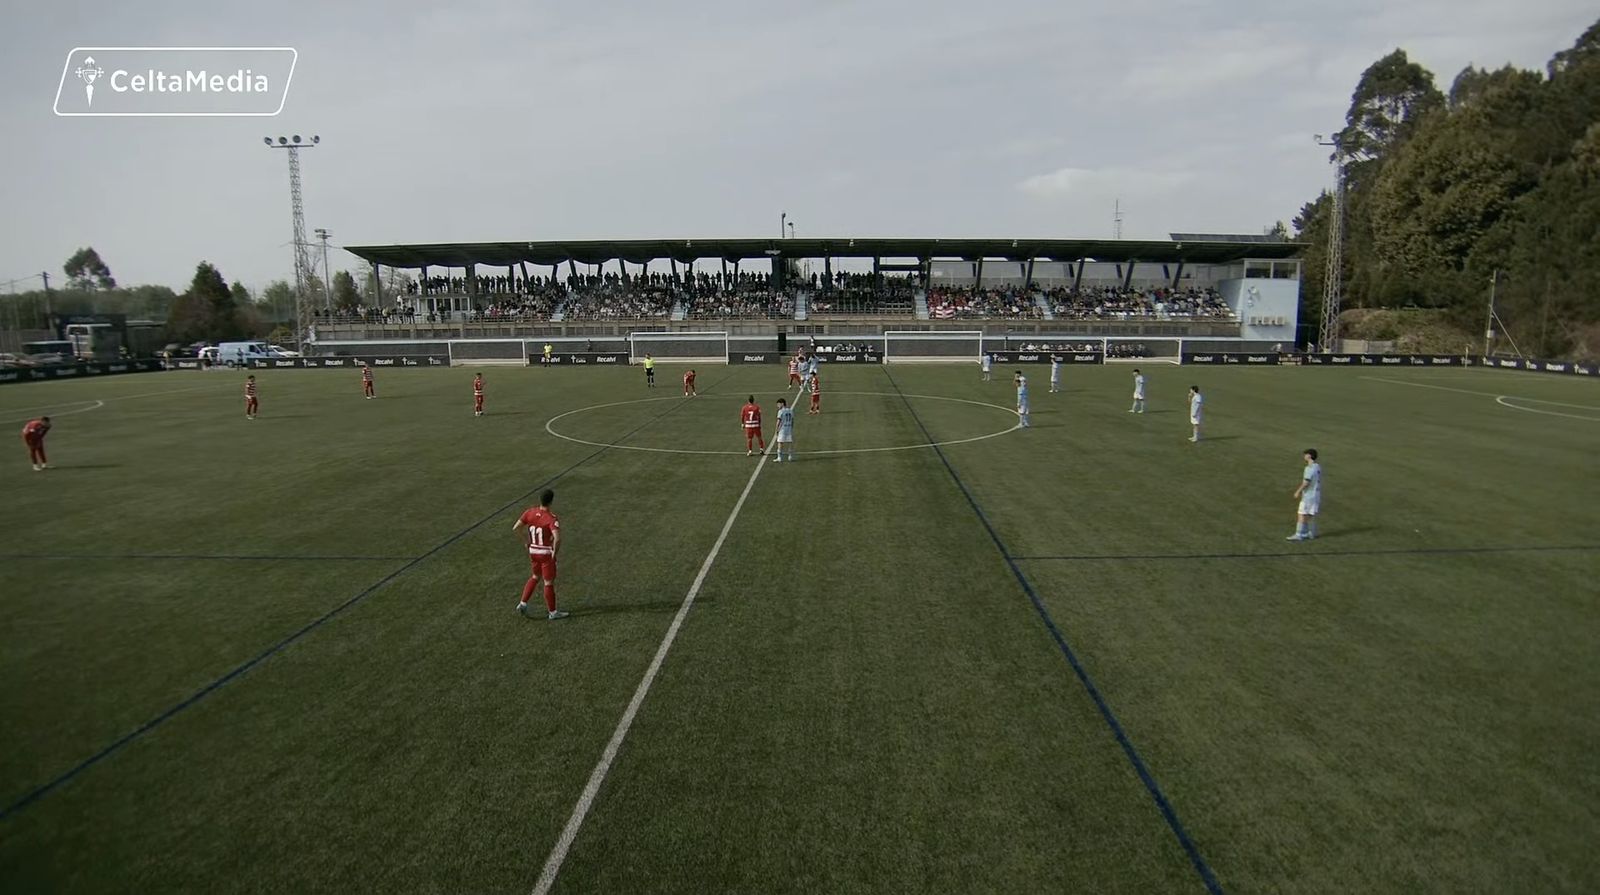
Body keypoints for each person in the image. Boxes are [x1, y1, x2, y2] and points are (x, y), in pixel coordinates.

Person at [511, 489, 568, 620]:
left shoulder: (529, 512)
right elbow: (557, 538)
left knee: (535, 576)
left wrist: (526, 542)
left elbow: (516, 528)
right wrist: (554, 552)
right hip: (545, 553)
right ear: (551, 501)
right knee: (548, 582)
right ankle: (553, 612)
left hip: (533, 552)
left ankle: (523, 603)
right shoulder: (551, 518)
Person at [1287, 449, 1322, 541]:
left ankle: (1298, 534)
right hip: (1316, 494)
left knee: (1301, 514)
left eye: (1305, 455)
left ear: (1309, 456)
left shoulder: (1309, 468)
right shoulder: (1317, 466)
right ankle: (1310, 533)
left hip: (1309, 495)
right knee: (1310, 513)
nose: (1304, 456)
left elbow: (1306, 482)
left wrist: (1297, 491)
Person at [772, 397, 795, 462]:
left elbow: (778, 421)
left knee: (780, 442)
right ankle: (790, 456)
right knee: (789, 442)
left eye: (778, 404)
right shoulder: (790, 410)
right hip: (789, 428)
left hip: (782, 429)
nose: (777, 406)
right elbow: (792, 420)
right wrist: (791, 427)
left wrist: (776, 430)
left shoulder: (781, 411)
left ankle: (779, 457)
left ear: (782, 404)